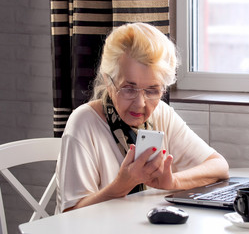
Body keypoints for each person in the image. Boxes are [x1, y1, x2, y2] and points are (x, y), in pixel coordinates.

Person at [55, 22, 229, 213]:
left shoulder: (162, 114)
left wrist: (172, 181)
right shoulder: (84, 123)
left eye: (152, 90)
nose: (140, 104)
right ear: (108, 80)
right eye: (129, 89)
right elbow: (69, 216)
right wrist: (122, 185)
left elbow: (219, 167)